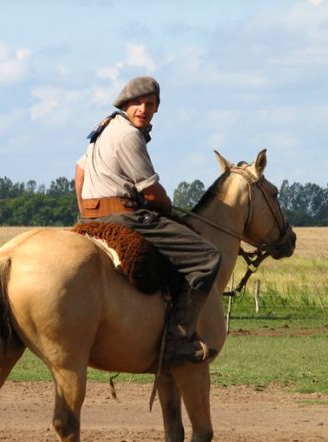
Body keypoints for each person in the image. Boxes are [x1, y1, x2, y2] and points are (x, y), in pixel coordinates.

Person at [75, 76, 221, 365]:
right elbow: (151, 193)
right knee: (208, 257)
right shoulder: (129, 135)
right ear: (125, 105)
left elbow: (79, 171)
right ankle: (178, 339)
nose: (143, 109)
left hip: (93, 214)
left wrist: (86, 212)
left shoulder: (105, 128)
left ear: (156, 108)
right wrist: (168, 207)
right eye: (137, 103)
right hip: (126, 216)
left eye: (150, 104)